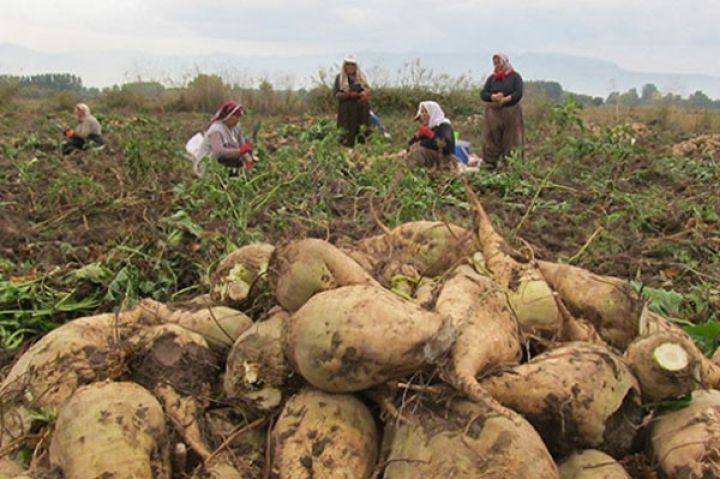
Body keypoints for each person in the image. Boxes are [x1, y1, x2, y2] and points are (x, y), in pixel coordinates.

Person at [480, 52, 524, 169]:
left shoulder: (515, 77)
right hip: (493, 113)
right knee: (491, 138)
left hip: (511, 112)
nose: (496, 65)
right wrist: (492, 97)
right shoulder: (492, 79)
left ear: (505, 62)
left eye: (498, 62)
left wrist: (506, 99)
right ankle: (490, 164)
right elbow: (483, 94)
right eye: (495, 63)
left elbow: (518, 92)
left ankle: (511, 166)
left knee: (511, 139)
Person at [196, 100, 253, 175]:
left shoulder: (236, 126)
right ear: (228, 117)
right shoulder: (216, 130)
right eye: (235, 117)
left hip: (225, 162)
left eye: (239, 118)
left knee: (238, 162)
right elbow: (219, 152)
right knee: (230, 162)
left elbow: (242, 144)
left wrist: (248, 159)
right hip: (210, 165)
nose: (237, 120)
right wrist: (240, 151)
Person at [333, 54, 371, 147]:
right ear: (345, 66)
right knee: (347, 134)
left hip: (361, 111)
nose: (350, 67)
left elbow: (367, 89)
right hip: (347, 112)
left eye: (352, 65)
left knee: (362, 132)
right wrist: (348, 95)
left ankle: (362, 150)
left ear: (355, 66)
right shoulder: (340, 78)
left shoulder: (361, 77)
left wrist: (364, 94)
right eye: (348, 64)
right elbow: (337, 95)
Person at [406, 101, 456, 169]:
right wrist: (417, 136)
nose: (423, 115)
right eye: (422, 112)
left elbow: (447, 147)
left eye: (426, 112)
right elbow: (410, 146)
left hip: (446, 160)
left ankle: (417, 174)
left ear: (433, 113)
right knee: (410, 152)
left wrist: (431, 136)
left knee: (418, 152)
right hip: (433, 157)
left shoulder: (444, 126)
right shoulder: (430, 127)